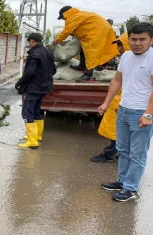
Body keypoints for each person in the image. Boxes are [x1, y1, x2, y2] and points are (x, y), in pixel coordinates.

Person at [99, 23, 153, 202]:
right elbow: (116, 80)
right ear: (128, 39)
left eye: (142, 39)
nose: (137, 43)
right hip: (123, 109)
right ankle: (122, 181)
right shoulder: (126, 56)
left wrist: (148, 114)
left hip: (141, 112)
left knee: (137, 153)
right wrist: (106, 103)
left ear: (151, 40)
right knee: (122, 149)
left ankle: (130, 188)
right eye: (133, 39)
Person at [91, 32, 130, 163]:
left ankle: (111, 153)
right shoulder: (125, 60)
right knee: (118, 130)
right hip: (119, 100)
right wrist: (106, 102)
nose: (119, 48)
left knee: (117, 130)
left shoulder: (142, 60)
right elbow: (117, 80)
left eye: (121, 45)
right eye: (118, 45)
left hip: (126, 102)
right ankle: (119, 152)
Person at [53, 6, 118, 82]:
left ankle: (88, 75)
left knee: (91, 53)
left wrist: (57, 40)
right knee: (84, 49)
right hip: (99, 28)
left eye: (62, 17)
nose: (63, 19)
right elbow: (76, 29)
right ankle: (82, 66)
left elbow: (66, 31)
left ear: (65, 14)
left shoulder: (72, 17)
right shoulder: (78, 15)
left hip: (96, 31)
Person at [15, 33, 56, 149]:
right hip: (44, 87)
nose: (29, 44)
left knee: (28, 112)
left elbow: (30, 71)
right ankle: (37, 136)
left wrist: (20, 82)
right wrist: (45, 77)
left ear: (32, 41)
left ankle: (32, 141)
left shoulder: (34, 53)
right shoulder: (47, 52)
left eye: (29, 42)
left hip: (34, 87)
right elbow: (53, 70)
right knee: (37, 110)